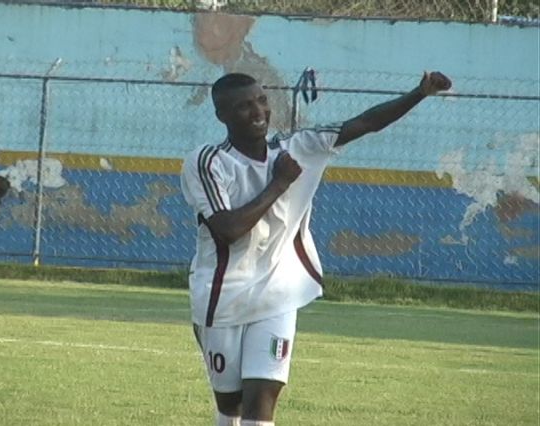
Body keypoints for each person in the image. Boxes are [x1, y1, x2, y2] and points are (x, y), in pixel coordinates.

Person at [180, 70, 452, 426]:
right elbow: (229, 229)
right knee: (229, 407)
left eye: (262, 100)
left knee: (260, 407)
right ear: (222, 115)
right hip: (222, 298)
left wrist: (419, 93)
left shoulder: (300, 147)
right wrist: (279, 183)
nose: (259, 110)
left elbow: (366, 122)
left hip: (279, 293)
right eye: (244, 106)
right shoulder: (208, 161)